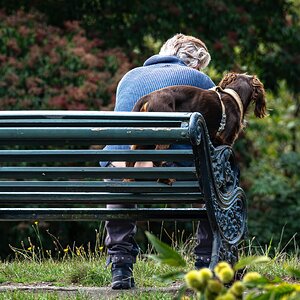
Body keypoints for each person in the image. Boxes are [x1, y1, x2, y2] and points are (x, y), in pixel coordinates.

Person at [102, 33, 216, 289]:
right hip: (169, 172)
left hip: (122, 170)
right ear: (195, 62)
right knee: (218, 176)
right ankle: (205, 261)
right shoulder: (200, 80)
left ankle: (120, 266)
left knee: (120, 171)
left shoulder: (128, 77)